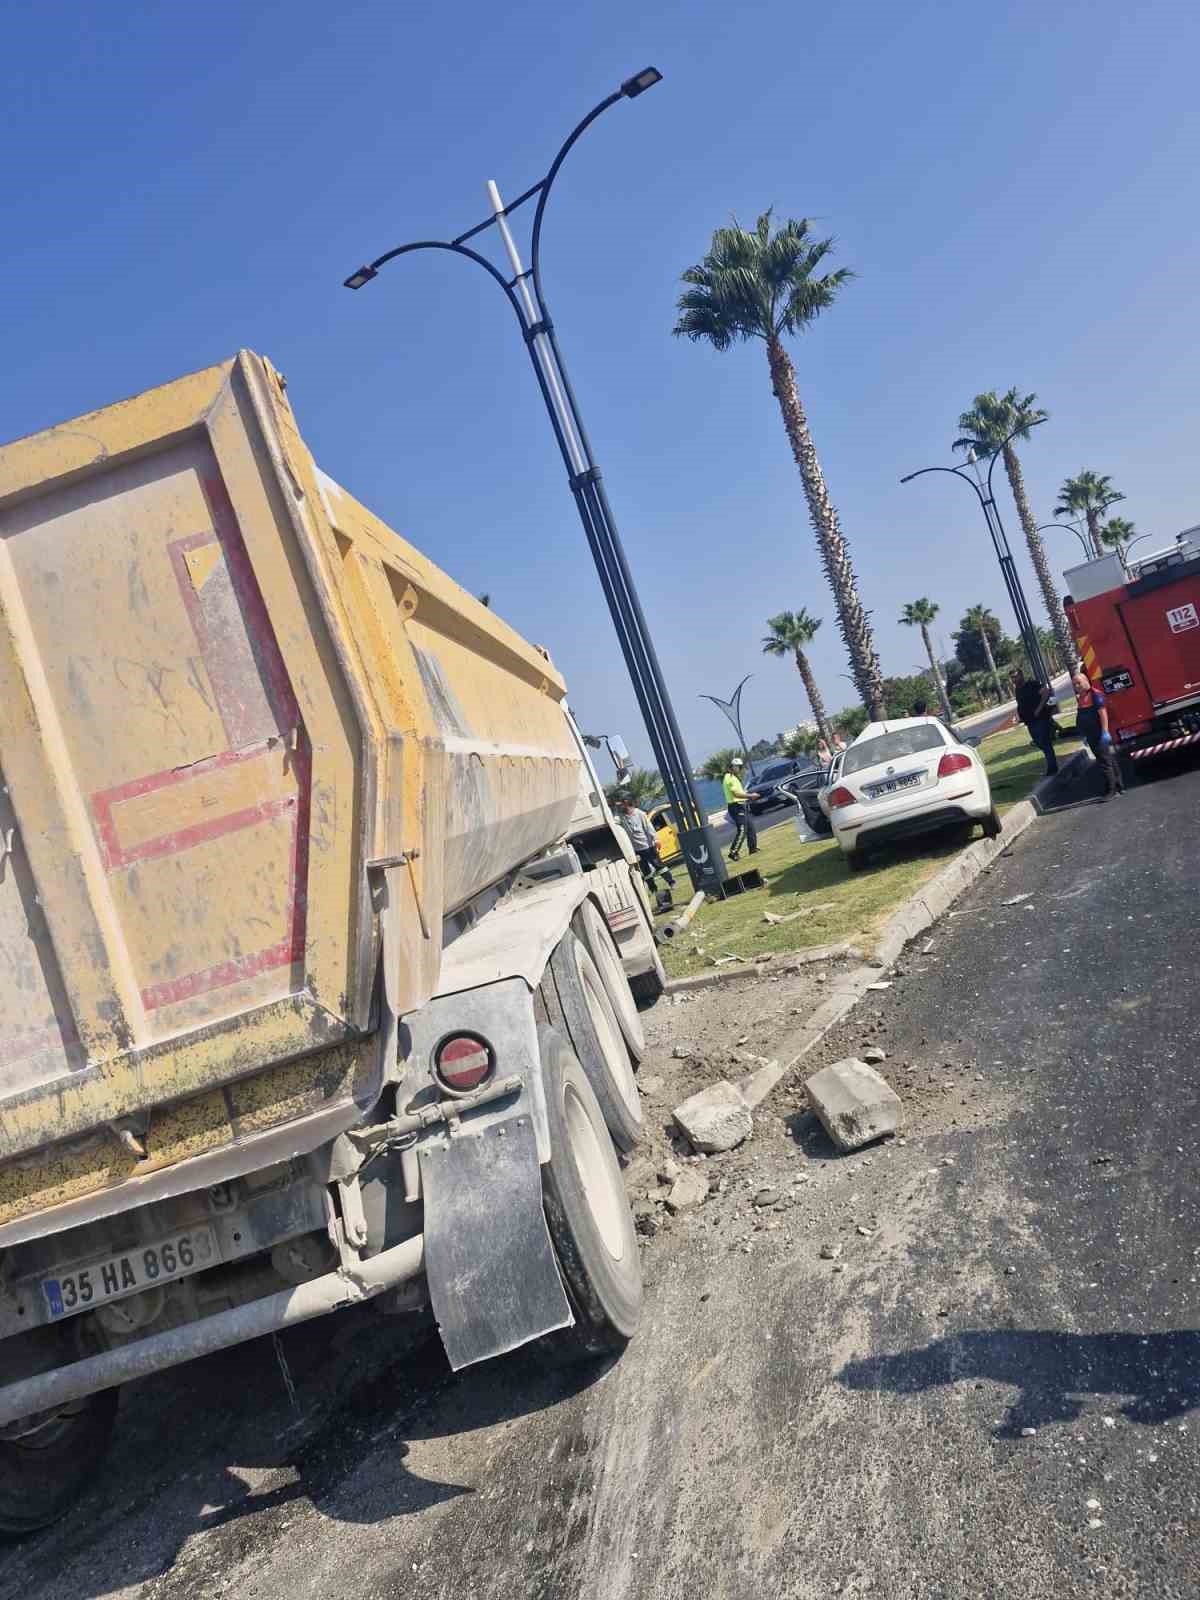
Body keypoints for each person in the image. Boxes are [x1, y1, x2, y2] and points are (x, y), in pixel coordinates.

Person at [1072, 665, 1123, 799]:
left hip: (1099, 734)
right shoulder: (1082, 698)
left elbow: (1103, 714)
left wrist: (1105, 732)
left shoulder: (1095, 695)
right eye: (1075, 684)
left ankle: (1112, 791)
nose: (1077, 685)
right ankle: (1119, 786)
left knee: (1104, 762)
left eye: (1079, 682)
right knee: (1108, 760)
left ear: (1086, 681)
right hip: (1090, 735)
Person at [614, 797, 676, 891]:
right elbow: (613, 821)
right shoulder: (621, 817)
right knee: (645, 871)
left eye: (620, 805)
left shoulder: (640, 814)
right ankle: (653, 889)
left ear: (626, 802)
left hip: (648, 846)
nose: (619, 807)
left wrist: (656, 840)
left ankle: (671, 882)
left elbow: (649, 827)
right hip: (636, 850)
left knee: (658, 865)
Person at [1010, 668, 1059, 778]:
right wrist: (1019, 716)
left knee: (1044, 742)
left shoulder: (1032, 684)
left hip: (1040, 719)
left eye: (1015, 676)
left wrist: (1039, 708)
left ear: (1021, 675)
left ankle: (1052, 768)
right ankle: (1052, 765)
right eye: (1012, 677)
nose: (1014, 679)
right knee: (1039, 743)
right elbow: (1021, 704)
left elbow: (1046, 692)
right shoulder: (1017, 690)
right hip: (1029, 721)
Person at [722, 758, 760, 860]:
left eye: (741, 767)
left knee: (750, 827)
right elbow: (736, 793)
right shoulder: (729, 777)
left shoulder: (733, 777)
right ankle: (733, 852)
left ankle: (753, 849)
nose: (740, 768)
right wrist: (750, 796)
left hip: (741, 806)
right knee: (742, 829)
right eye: (738, 767)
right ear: (733, 766)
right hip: (736, 807)